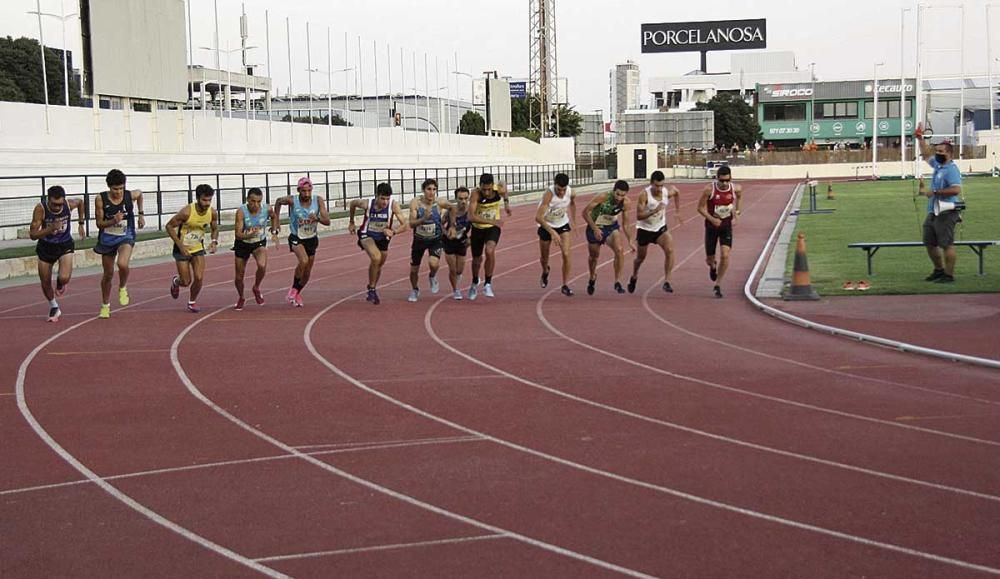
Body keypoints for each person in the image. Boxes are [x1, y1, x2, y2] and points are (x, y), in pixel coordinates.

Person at [93, 169, 145, 319]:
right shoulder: (100, 199)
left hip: (125, 235)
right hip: (107, 239)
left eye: (121, 188)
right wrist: (113, 221)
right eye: (115, 189)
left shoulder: (129, 195)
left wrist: (141, 214)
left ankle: (122, 287)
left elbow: (140, 194)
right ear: (109, 187)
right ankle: (105, 305)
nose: (118, 192)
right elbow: (99, 224)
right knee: (108, 274)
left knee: (122, 264)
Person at [29, 186, 85, 322]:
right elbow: (33, 235)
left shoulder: (68, 204)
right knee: (45, 281)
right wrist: (50, 228)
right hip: (46, 247)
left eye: (59, 204)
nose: (56, 207)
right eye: (54, 204)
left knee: (65, 277)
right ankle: (53, 306)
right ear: (48, 200)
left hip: (64, 244)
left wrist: (81, 223)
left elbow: (81, 202)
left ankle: (61, 283)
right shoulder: (40, 209)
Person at [273, 177, 331, 307]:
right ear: (298, 190)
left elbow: (327, 221)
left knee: (307, 272)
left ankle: (297, 292)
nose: (307, 194)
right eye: (304, 191)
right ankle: (293, 290)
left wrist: (317, 218)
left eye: (309, 191)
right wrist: (276, 221)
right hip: (296, 237)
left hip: (311, 238)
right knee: (303, 261)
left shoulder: (318, 200)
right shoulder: (292, 200)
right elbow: (278, 201)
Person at [349, 182, 408, 305]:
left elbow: (405, 224)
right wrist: (351, 222)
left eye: (387, 199)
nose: (385, 202)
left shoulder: (393, 205)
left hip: (383, 237)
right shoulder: (367, 203)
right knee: (376, 257)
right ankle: (371, 289)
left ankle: (372, 287)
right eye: (382, 198)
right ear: (376, 196)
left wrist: (394, 231)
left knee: (379, 264)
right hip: (367, 235)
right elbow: (353, 203)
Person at [917, 126, 963, 283]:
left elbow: (956, 189)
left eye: (941, 152)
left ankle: (949, 275)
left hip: (947, 211)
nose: (937, 154)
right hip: (934, 210)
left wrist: (935, 193)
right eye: (937, 151)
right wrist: (920, 138)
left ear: (949, 154)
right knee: (929, 242)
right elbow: (925, 155)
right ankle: (938, 270)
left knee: (946, 244)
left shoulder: (951, 169)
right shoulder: (938, 165)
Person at [166, 184, 219, 312]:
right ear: (197, 198)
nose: (207, 203)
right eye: (204, 200)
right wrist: (180, 245)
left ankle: (192, 301)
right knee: (186, 281)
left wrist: (214, 241)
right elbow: (169, 226)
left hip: (197, 248)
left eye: (209, 200)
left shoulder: (212, 212)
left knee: (199, 277)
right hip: (182, 248)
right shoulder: (186, 212)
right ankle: (176, 281)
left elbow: (215, 228)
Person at [628, 170, 680, 294]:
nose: (659, 188)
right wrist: (653, 211)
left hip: (660, 229)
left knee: (670, 250)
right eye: (656, 186)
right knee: (640, 258)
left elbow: (676, 191)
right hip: (644, 230)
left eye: (661, 185)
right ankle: (634, 275)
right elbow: (639, 216)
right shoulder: (644, 195)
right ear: (651, 183)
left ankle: (667, 281)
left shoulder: (666, 192)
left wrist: (678, 211)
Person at [698, 165, 743, 298]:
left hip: (726, 225)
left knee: (725, 254)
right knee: (709, 259)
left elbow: (739, 199)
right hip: (712, 226)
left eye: (727, 181)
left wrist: (737, 214)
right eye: (721, 181)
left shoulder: (737, 189)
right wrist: (712, 219)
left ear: (731, 179)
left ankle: (718, 284)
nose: (724, 184)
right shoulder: (709, 189)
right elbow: (700, 208)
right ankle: (713, 266)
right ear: (717, 178)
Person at [582, 180, 634, 295]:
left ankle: (618, 281)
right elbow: (585, 212)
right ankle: (592, 277)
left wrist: (630, 240)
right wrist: (595, 228)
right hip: (595, 227)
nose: (619, 198)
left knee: (619, 250)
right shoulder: (603, 197)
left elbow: (626, 223)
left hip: (611, 227)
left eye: (623, 195)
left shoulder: (626, 203)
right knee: (594, 257)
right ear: (613, 191)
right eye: (618, 194)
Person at [468, 173, 511, 300]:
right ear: (479, 186)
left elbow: (505, 192)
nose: (486, 192)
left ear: (493, 186)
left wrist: (507, 205)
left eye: (489, 189)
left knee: (489, 251)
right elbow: (471, 216)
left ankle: (488, 283)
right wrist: (492, 221)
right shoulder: (475, 194)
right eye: (484, 189)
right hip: (478, 228)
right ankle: (475, 281)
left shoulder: (499, 189)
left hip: (492, 229)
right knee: (476, 260)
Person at [407, 178, 450, 302]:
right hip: (419, 240)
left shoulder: (440, 202)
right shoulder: (416, 203)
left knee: (433, 263)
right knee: (414, 269)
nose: (432, 192)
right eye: (429, 189)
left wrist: (450, 225)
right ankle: (415, 289)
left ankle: (432, 276)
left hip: (435, 240)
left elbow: (453, 208)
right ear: (423, 190)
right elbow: (411, 223)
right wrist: (423, 218)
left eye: (434, 189)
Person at [232, 187, 276, 310]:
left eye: (258, 201)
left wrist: (274, 229)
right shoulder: (241, 212)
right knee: (239, 277)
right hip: (242, 243)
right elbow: (238, 234)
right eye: (253, 201)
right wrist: (249, 235)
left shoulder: (266, 208)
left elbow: (274, 216)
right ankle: (241, 297)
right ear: (247, 200)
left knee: (262, 266)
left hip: (259, 242)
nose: (256, 204)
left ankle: (256, 287)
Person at [535, 172, 577, 296]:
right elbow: (538, 217)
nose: (561, 193)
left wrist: (574, 222)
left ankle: (565, 285)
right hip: (546, 225)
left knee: (566, 253)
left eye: (564, 190)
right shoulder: (549, 195)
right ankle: (545, 270)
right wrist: (552, 232)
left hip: (562, 224)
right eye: (559, 189)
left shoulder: (571, 193)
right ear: (555, 185)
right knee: (544, 258)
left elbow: (573, 204)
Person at [442, 186, 473, 300]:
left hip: (462, 242)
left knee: (459, 269)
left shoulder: (471, 212)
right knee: (453, 269)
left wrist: (471, 238)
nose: (463, 201)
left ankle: (457, 279)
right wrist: (446, 233)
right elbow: (439, 224)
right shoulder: (450, 211)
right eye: (460, 199)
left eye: (465, 198)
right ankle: (455, 289)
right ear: (456, 199)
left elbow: (477, 226)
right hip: (449, 242)